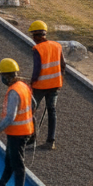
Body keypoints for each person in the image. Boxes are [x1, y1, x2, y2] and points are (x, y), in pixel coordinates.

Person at [0, 59, 34, 186]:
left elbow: (11, 116)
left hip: (18, 133)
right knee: (9, 160)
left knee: (17, 163)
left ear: (6, 75)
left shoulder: (14, 91)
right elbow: (34, 104)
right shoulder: (23, 86)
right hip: (21, 131)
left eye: (2, 75)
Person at [29, 20, 65, 150]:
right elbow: (63, 65)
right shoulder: (57, 46)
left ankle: (31, 138)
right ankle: (51, 141)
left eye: (33, 35)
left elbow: (37, 69)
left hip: (40, 86)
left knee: (30, 109)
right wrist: (61, 80)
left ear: (36, 36)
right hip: (55, 85)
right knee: (52, 111)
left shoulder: (37, 48)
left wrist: (32, 82)